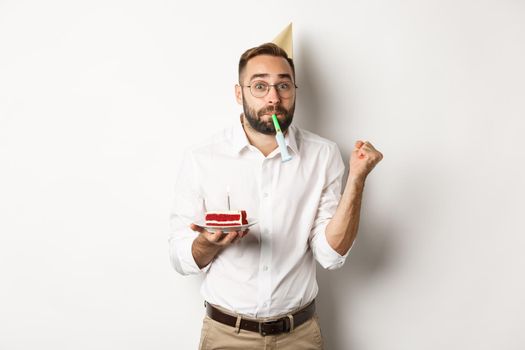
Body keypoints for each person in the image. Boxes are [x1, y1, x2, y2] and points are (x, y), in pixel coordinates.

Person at [169, 42, 383, 350]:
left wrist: (358, 178)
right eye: (260, 86)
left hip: (299, 336)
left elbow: (329, 255)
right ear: (239, 93)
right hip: (227, 335)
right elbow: (179, 257)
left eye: (283, 85)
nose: (273, 97)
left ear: (295, 90)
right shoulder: (202, 159)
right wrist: (206, 243)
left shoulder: (323, 155)